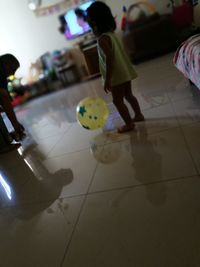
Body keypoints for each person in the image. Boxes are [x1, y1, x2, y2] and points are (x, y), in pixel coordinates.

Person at [87, 1, 144, 133]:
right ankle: (139, 115)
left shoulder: (102, 39)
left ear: (94, 24)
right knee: (129, 95)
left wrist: (107, 79)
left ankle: (129, 123)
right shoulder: (113, 34)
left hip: (116, 75)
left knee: (117, 101)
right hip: (125, 71)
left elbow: (109, 59)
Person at [0, 54, 25, 143]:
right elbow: (4, 97)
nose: (13, 74)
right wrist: (15, 123)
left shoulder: (3, 78)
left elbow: (7, 102)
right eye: (13, 69)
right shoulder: (1, 69)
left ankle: (4, 139)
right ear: (6, 64)